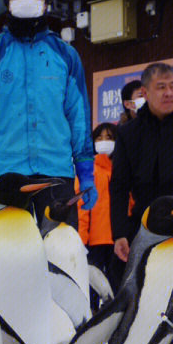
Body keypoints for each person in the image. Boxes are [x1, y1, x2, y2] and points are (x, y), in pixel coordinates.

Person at [0, 0, 96, 215]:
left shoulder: (65, 55)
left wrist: (86, 173)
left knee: (60, 251)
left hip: (56, 174)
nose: (26, 0)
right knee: (7, 252)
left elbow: (79, 119)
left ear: (45, 2)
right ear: (7, 2)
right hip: (5, 176)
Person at [109, 62, 173, 263]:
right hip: (145, 227)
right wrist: (119, 233)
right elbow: (119, 186)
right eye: (161, 87)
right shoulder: (128, 133)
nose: (169, 93)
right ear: (145, 92)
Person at [79, 120, 118, 293]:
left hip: (118, 239)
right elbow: (82, 207)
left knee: (116, 285)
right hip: (94, 240)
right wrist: (82, 239)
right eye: (99, 137)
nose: (103, 141)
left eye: (109, 137)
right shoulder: (89, 171)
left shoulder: (121, 170)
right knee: (93, 287)